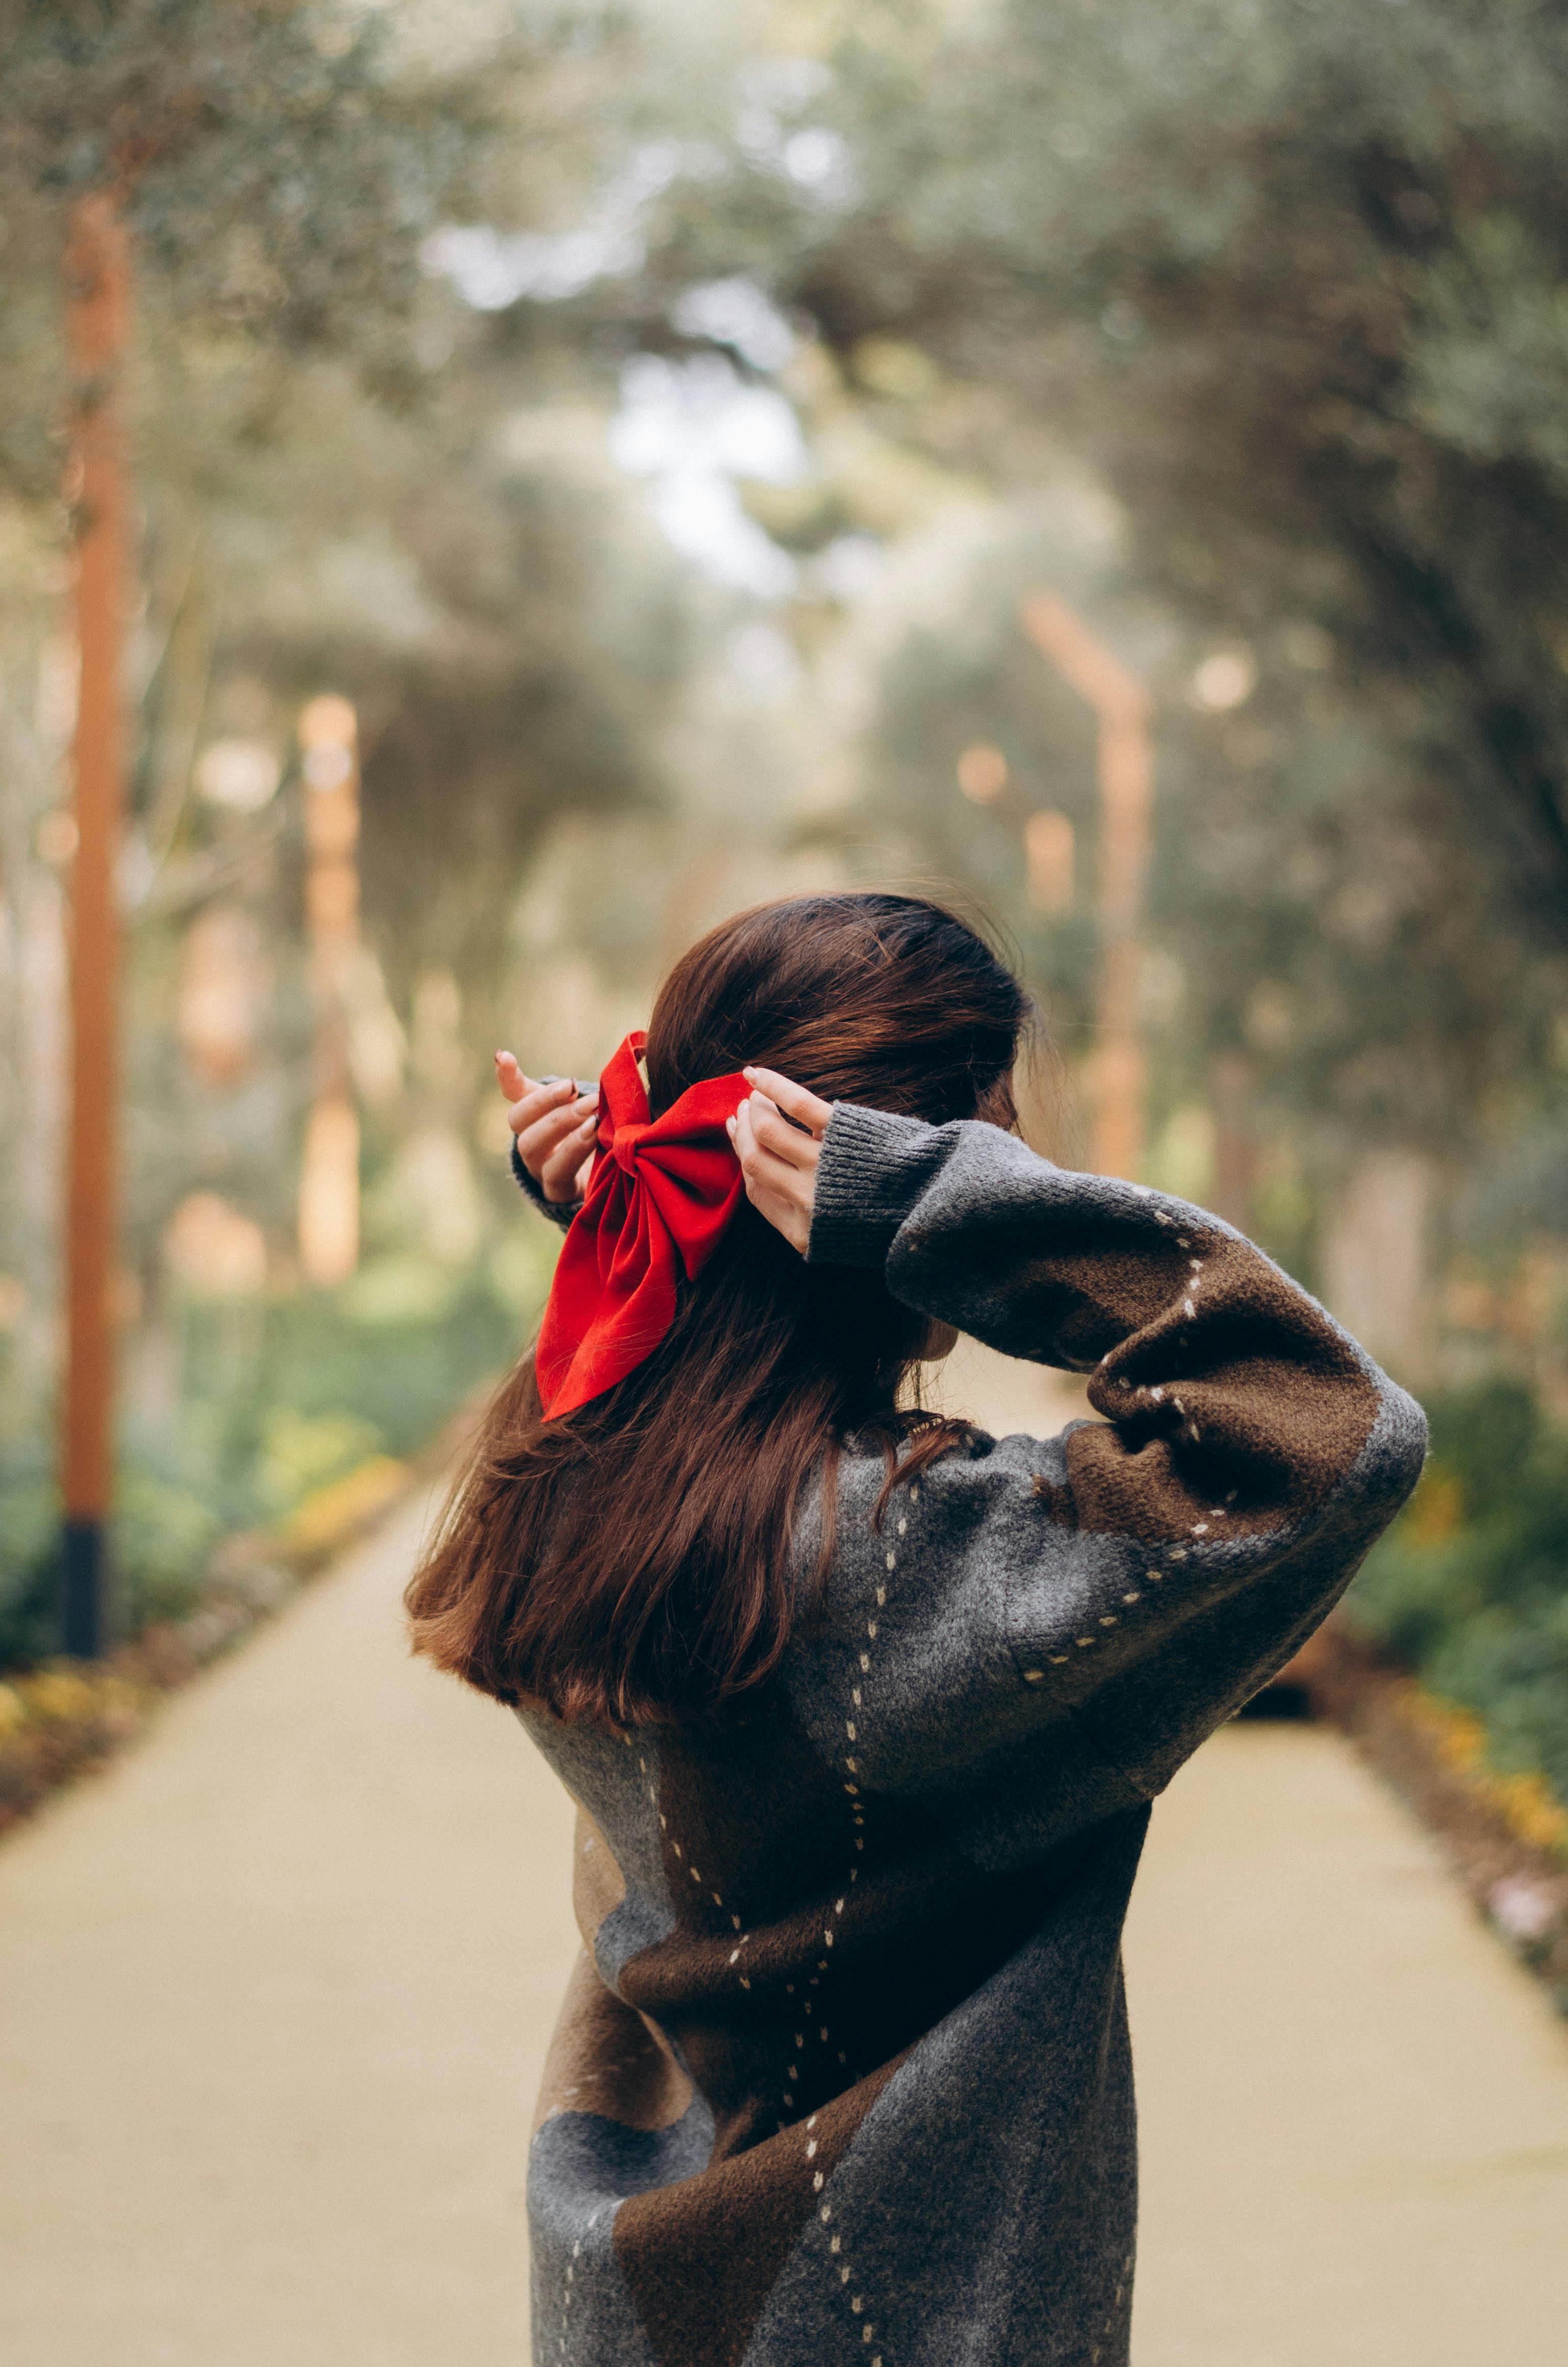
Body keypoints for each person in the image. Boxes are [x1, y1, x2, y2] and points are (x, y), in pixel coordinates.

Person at [406, 891, 1426, 2367]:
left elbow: (642, 1398)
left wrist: (661, 1245)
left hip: (630, 2301)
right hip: (907, 2319)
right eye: (986, 1142)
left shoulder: (565, 1504)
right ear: (879, 1173)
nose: (1013, 1170)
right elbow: (1331, 1435)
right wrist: (955, 1216)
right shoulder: (913, 1563)